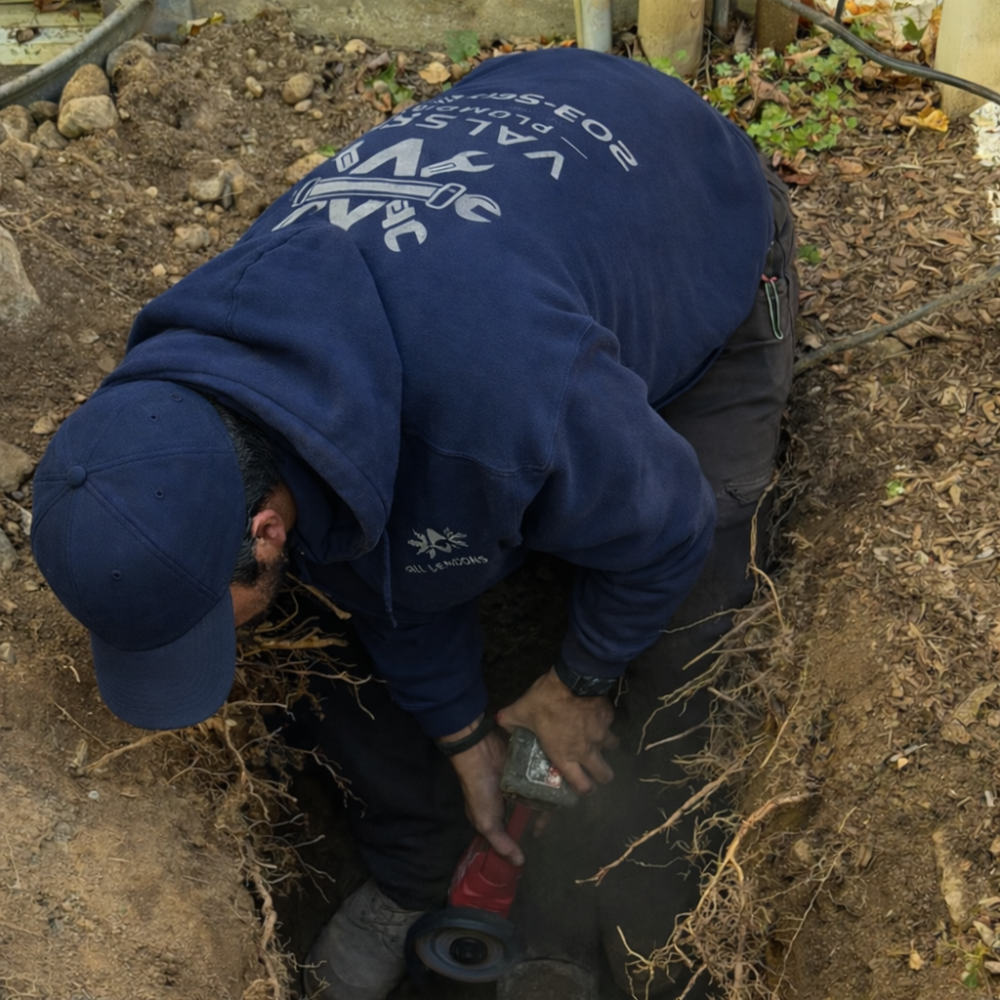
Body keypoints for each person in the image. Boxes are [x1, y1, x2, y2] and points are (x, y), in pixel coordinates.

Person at [30, 47, 797, 1000]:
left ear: (264, 528)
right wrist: (462, 732)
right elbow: (372, 561)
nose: (204, 645)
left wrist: (583, 678)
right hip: (509, 203)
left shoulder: (501, 402)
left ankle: (612, 912)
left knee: (693, 602)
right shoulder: (193, 399)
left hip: (689, 206)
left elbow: (669, 519)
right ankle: (414, 869)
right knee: (326, 640)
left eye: (199, 615)